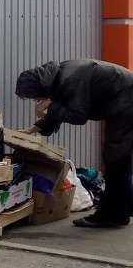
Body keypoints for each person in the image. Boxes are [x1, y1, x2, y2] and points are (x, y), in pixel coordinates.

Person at [15, 59, 133, 229]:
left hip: (125, 101)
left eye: (35, 97)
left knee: (116, 157)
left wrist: (51, 107)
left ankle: (112, 215)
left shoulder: (71, 79)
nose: (36, 101)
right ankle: (119, 212)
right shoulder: (57, 77)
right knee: (118, 158)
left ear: (39, 88)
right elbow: (61, 109)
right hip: (123, 100)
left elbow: (78, 115)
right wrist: (31, 130)